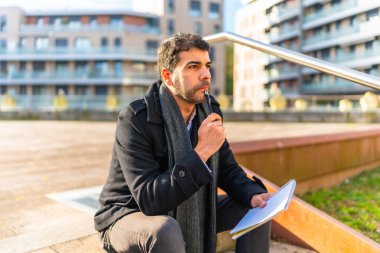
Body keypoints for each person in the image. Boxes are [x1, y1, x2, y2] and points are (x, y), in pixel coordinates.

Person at [94, 33, 271, 253]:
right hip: (129, 213)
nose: (206, 75)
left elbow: (227, 169)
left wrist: (253, 194)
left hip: (190, 203)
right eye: (193, 67)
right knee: (166, 230)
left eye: (207, 65)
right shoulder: (135, 119)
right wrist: (201, 151)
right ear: (168, 77)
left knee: (260, 209)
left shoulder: (209, 110)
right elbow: (150, 200)